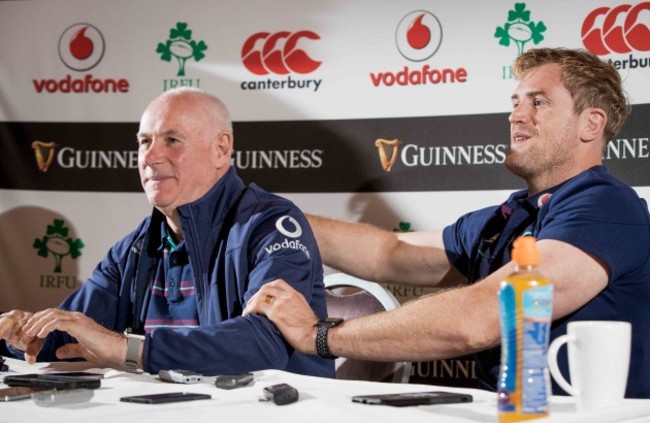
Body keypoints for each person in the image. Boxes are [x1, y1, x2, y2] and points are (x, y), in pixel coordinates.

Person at [244, 48, 650, 397]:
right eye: (515, 102)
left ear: (591, 123)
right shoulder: (509, 216)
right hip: (511, 416)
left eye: (538, 102)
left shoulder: (606, 207)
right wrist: (268, 216)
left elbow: (485, 315)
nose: (515, 116)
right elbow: (391, 253)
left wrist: (319, 335)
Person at [0, 87, 332, 378]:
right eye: (145, 142)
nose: (150, 156)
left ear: (221, 149)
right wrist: (27, 336)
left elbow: (266, 341)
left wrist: (130, 350)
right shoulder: (135, 246)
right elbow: (69, 338)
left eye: (172, 140)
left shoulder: (270, 224)